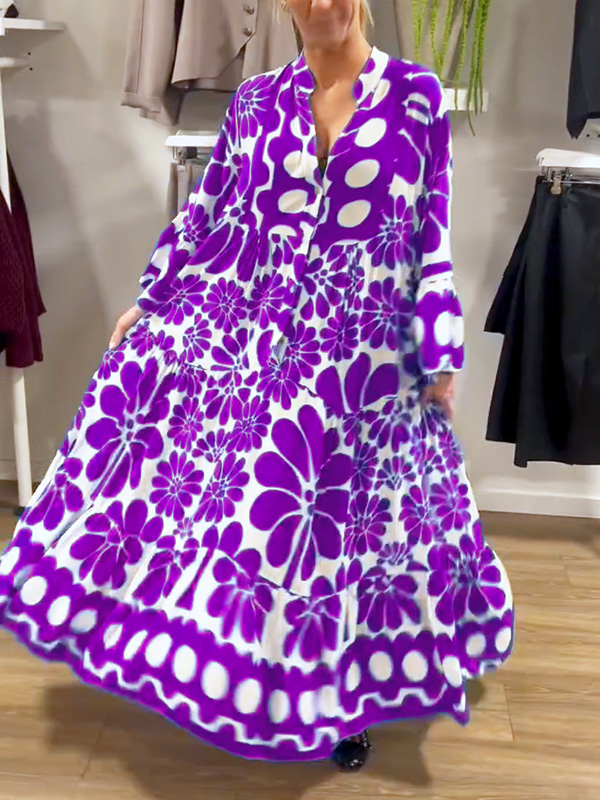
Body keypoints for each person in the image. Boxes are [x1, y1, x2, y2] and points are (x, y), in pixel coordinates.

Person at [0, 0, 514, 772]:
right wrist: (155, 296)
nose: (318, 5)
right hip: (263, 337)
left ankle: (344, 696)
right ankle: (244, 672)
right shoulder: (255, 100)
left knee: (354, 529)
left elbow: (427, 237)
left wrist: (438, 349)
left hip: (366, 350)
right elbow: (210, 214)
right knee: (265, 518)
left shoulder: (417, 99)